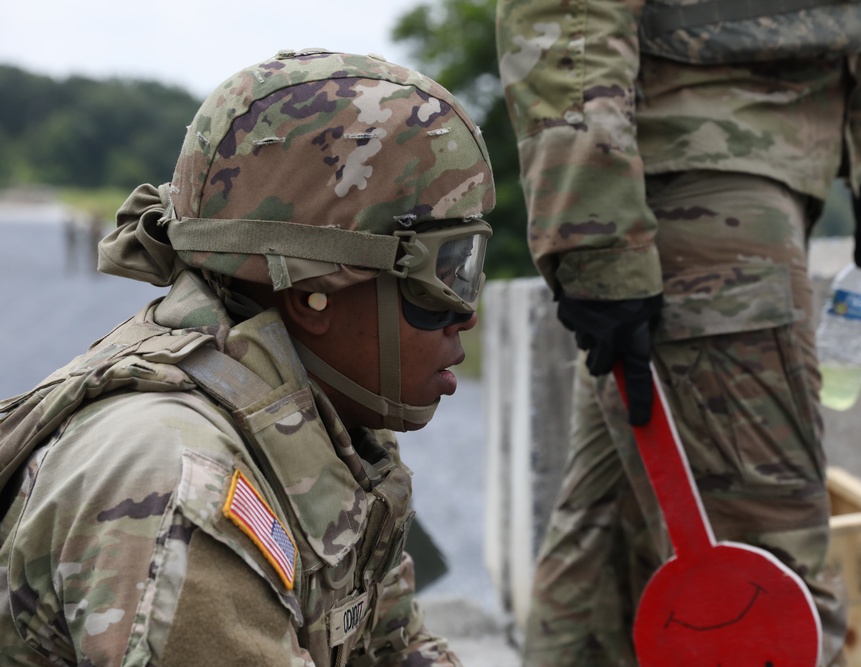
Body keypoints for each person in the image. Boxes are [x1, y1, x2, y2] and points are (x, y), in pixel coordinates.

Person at [0, 49, 494, 666]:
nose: (466, 314)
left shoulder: (323, 422)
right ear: (315, 292)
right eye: (445, 273)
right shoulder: (180, 486)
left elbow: (396, 649)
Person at [496, 1, 861, 665]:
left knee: (605, 563)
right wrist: (599, 240)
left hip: (730, 188)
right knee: (760, 596)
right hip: (698, 207)